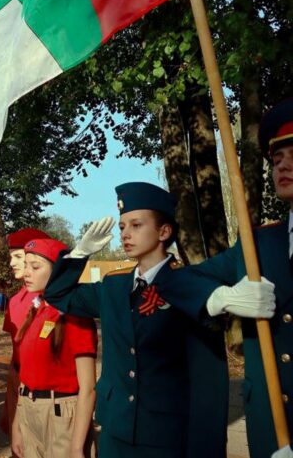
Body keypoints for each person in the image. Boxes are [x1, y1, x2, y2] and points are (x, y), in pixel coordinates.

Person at [150, 99, 292, 458]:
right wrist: (221, 298)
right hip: (269, 435)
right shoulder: (259, 243)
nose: (282, 166)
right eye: (276, 160)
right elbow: (173, 281)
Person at [44, 183, 229, 458]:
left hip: (166, 437)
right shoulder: (113, 287)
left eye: (136, 225)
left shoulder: (190, 286)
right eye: (121, 227)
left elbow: (207, 382)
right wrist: (79, 255)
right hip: (115, 432)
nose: (125, 234)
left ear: (164, 231)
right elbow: (58, 294)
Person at [10, 238, 97, 458]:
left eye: (35, 266)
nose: (27, 272)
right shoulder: (37, 310)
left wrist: (77, 447)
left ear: (58, 271)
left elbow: (88, 388)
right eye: (26, 264)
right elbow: (26, 375)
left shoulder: (74, 313)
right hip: (31, 411)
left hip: (61, 417)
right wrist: (18, 426)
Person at [0, 228, 51, 444]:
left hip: (48, 390)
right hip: (18, 383)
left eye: (18, 257)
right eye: (11, 256)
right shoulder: (15, 301)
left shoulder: (54, 301)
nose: (12, 263)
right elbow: (16, 351)